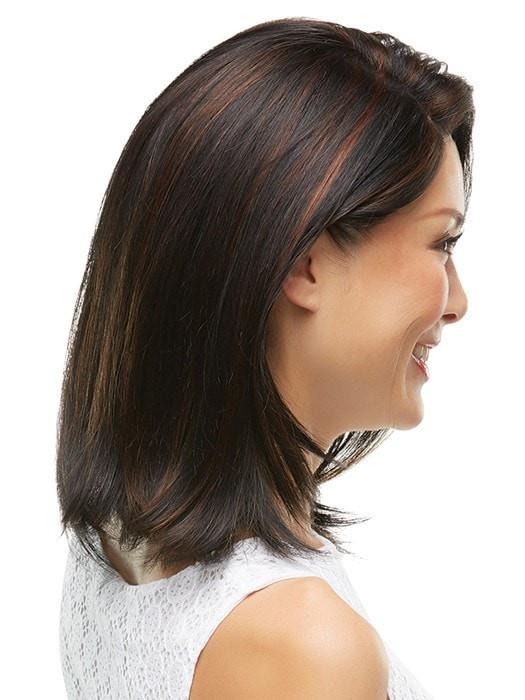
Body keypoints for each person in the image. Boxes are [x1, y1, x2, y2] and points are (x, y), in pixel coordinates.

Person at [56, 16, 474, 699]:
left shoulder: (118, 530)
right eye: (441, 244)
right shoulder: (304, 645)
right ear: (306, 262)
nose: (457, 303)